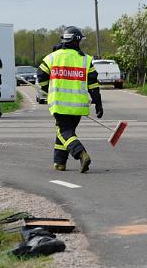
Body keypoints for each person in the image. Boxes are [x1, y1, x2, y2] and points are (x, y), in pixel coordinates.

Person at [37, 26, 102, 173]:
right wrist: (98, 103)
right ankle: (59, 163)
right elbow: (93, 83)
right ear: (76, 41)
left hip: (60, 105)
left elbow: (40, 76)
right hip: (78, 107)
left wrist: (48, 89)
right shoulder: (85, 59)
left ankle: (81, 153)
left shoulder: (53, 57)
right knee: (67, 132)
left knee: (63, 132)